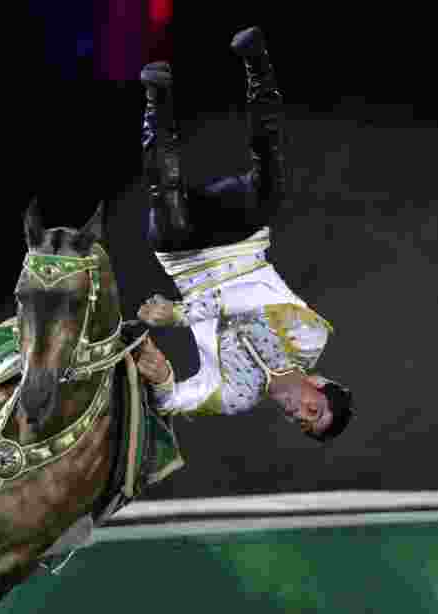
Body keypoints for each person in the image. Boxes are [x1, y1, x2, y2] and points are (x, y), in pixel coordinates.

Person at [133, 26, 353, 442]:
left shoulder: (236, 396)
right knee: (270, 184)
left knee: (167, 207)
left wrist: (160, 377)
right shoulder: (309, 338)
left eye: (304, 423)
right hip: (240, 238)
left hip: (188, 256)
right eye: (314, 410)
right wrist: (179, 316)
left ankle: (156, 97)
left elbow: (170, 402)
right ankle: (258, 67)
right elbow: (248, 304)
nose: (298, 414)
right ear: (320, 384)